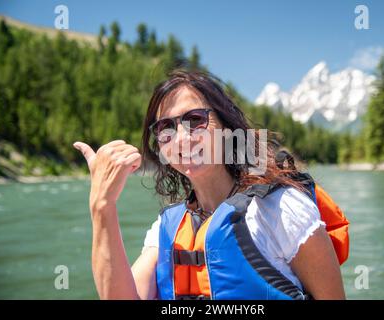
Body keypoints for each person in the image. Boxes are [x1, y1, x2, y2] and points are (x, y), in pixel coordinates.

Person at [73, 70, 346, 300]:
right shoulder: (166, 228)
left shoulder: (281, 209)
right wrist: (102, 206)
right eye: (165, 128)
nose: (180, 138)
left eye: (195, 120)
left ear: (226, 127)